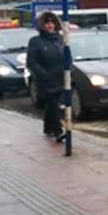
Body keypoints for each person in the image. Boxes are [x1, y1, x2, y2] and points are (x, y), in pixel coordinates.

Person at [27, 11, 65, 140]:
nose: (50, 25)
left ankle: (48, 127)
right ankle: (58, 130)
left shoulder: (60, 39)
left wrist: (68, 69)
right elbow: (31, 61)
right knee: (53, 103)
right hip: (46, 79)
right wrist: (43, 74)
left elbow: (66, 56)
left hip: (59, 77)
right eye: (47, 23)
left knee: (52, 104)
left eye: (52, 22)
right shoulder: (35, 41)